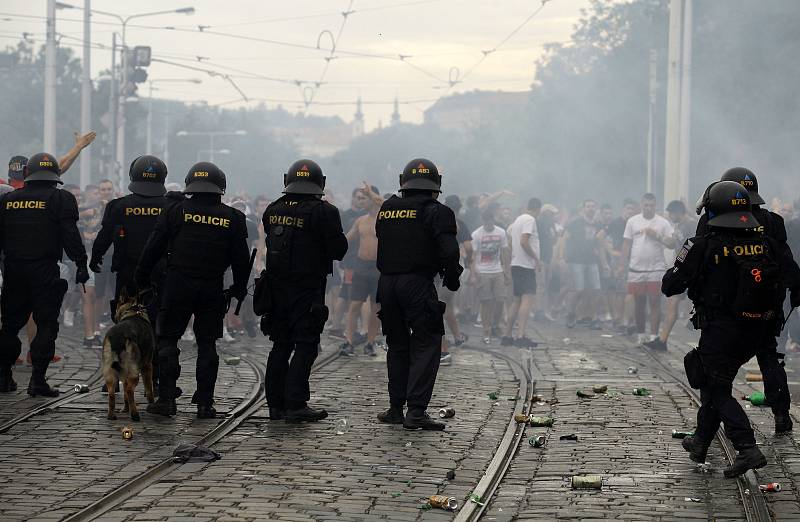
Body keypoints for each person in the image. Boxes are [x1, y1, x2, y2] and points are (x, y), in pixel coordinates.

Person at [663, 181, 800, 477]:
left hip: (722, 329)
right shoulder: (767, 242)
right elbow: (793, 278)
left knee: (715, 387)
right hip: (758, 329)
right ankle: (700, 442)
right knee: (716, 384)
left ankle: (747, 446)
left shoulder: (703, 244)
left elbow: (670, 285)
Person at [136, 162, 250, 418]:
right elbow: (241, 260)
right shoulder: (232, 218)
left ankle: (166, 400)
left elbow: (152, 248)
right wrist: (239, 289)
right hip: (211, 286)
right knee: (207, 344)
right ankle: (205, 404)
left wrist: (141, 279)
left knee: (167, 341)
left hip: (177, 284)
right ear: (220, 187)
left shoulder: (175, 211)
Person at [695, 168, 797, 433]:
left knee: (714, 368)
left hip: (725, 309)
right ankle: (781, 413)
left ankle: (710, 426)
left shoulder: (712, 221)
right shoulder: (772, 221)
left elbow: (700, 260)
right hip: (767, 303)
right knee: (769, 357)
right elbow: (785, 260)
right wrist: (795, 289)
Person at [375, 158, 462, 430]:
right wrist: (452, 277)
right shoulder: (439, 211)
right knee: (427, 343)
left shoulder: (387, 208)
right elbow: (449, 251)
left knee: (397, 345)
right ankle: (416, 411)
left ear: (403, 182)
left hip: (387, 284)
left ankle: (394, 408)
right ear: (435, 185)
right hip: (417, 284)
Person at [259, 159, 347, 423]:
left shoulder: (273, 209)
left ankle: (275, 405)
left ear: (288, 180)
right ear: (320, 183)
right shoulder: (324, 212)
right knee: (306, 344)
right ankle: (296, 403)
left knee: (280, 345)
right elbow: (338, 250)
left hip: (276, 288)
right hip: (307, 288)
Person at [0, 153, 89, 395]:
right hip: (45, 270)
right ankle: (37, 380)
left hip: (14, 270)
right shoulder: (61, 199)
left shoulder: (9, 200)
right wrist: (82, 264)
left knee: (9, 326)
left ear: (27, 174)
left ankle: (4, 376)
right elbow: (70, 236)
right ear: (55, 176)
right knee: (46, 325)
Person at [643, 200, 696, 351]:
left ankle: (693, 321)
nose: (670, 216)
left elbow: (694, 246)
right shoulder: (678, 225)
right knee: (672, 302)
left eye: (672, 213)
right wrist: (658, 237)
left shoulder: (691, 225)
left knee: (691, 302)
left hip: (691, 270)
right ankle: (662, 340)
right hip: (682, 271)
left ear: (679, 212)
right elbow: (673, 244)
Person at [621, 193, 675, 339]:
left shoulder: (663, 223)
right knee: (639, 301)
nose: (649, 208)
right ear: (641, 205)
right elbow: (626, 244)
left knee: (655, 300)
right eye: (646, 205)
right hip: (636, 268)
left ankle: (653, 335)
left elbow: (672, 243)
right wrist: (621, 264)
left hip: (656, 268)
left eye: (652, 205)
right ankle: (640, 334)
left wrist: (657, 236)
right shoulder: (632, 221)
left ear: (655, 206)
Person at [341, 183, 383, 357]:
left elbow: (385, 204)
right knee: (355, 305)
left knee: (375, 308)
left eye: (363, 198)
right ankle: (349, 342)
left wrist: (373, 194)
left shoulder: (385, 219)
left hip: (379, 268)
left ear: (372, 198)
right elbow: (347, 239)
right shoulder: (360, 220)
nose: (360, 201)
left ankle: (370, 342)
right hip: (361, 266)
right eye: (358, 198)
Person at [502, 198, 541, 347]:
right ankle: (520, 336)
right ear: (537, 209)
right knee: (527, 299)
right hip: (526, 266)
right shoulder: (530, 219)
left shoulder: (517, 220)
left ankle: (507, 335)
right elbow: (525, 241)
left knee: (516, 301)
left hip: (516, 264)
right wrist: (535, 258)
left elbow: (511, 241)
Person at [563, 199, 604, 329]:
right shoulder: (576, 222)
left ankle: (595, 318)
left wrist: (603, 261)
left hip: (592, 260)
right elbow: (565, 238)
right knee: (579, 290)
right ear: (584, 208)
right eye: (588, 206)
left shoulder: (598, 224)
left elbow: (599, 242)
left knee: (596, 290)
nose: (591, 209)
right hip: (576, 260)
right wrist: (564, 257)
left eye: (593, 206)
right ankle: (570, 313)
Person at [471, 209, 510, 343]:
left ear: (493, 220)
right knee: (486, 302)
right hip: (482, 271)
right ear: (483, 222)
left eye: (491, 222)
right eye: (486, 223)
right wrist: (473, 275)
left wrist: (507, 271)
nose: (489, 225)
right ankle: (486, 330)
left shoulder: (500, 232)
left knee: (500, 299)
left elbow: (505, 252)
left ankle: (495, 325)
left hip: (497, 270)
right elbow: (473, 256)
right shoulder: (476, 234)